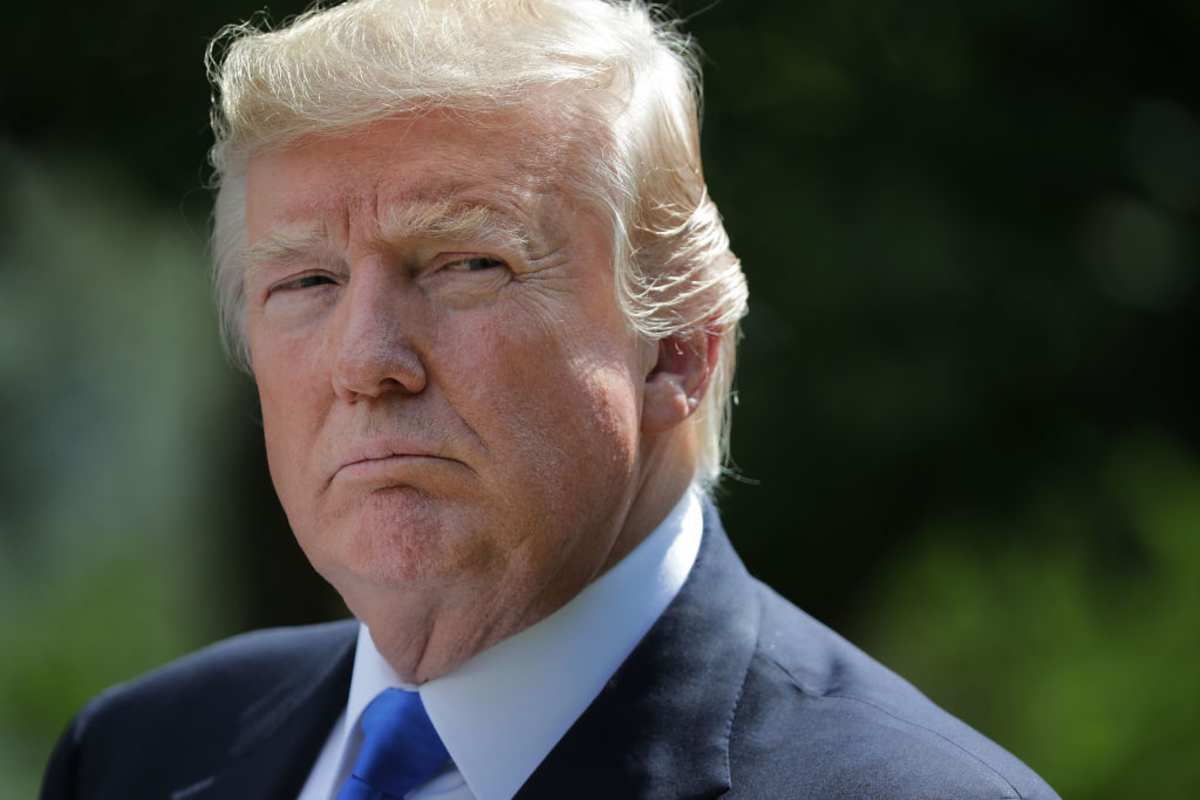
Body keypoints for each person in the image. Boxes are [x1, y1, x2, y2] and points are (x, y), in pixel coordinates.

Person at [41, 1, 1060, 798]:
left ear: (678, 352)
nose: (366, 360)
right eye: (306, 282)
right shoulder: (138, 753)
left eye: (464, 262)